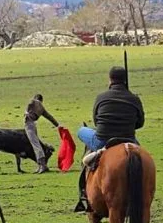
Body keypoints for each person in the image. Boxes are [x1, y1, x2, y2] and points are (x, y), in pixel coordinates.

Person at [75, 66, 144, 212]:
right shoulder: (134, 98)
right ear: (125, 80)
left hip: (102, 140)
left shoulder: (101, 97)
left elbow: (96, 122)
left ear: (110, 79)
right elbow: (140, 123)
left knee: (81, 131)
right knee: (142, 160)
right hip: (128, 139)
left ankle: (84, 193)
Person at [24, 94, 60, 174]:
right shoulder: (42, 108)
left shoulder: (34, 102)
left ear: (36, 98)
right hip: (33, 125)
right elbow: (49, 117)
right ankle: (41, 165)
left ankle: (42, 165)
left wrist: (27, 112)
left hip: (29, 124)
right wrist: (58, 125)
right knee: (35, 144)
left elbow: (30, 102)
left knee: (35, 145)